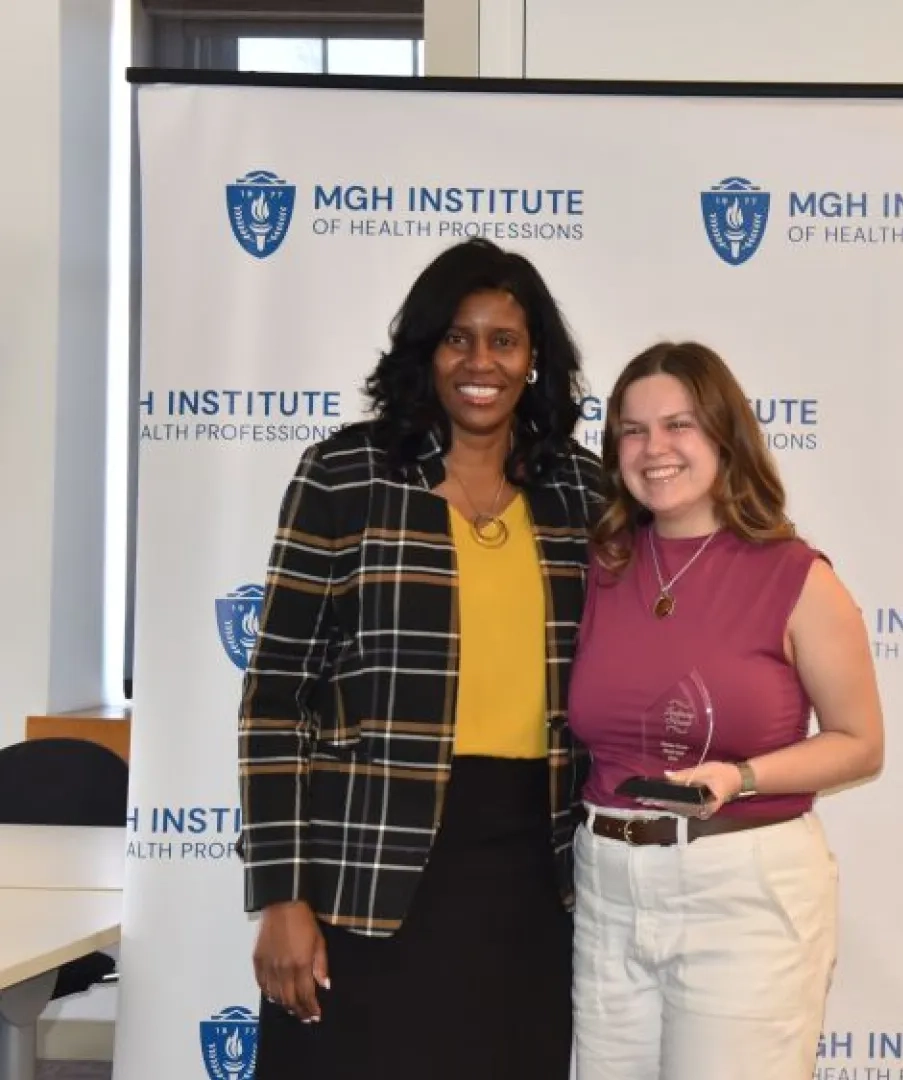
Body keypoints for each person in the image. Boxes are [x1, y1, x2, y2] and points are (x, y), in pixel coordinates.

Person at [237, 237, 605, 1079]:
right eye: (457, 337)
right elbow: (275, 700)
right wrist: (283, 895)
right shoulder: (344, 476)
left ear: (535, 358)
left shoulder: (582, 491)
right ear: (425, 351)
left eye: (504, 340)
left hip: (531, 879)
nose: (481, 362)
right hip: (365, 873)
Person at [567, 340, 885, 1080]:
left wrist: (740, 776)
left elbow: (861, 743)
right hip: (607, 886)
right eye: (633, 430)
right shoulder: (600, 565)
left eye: (679, 425)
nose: (655, 449)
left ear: (723, 435)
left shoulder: (796, 576)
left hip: (741, 893)